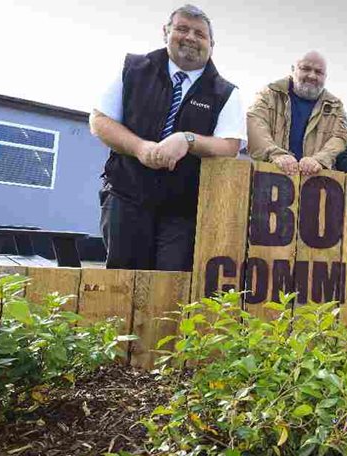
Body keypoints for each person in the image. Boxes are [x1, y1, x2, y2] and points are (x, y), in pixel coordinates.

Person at [90, 4, 246, 271]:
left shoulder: (226, 92)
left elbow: (230, 146)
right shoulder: (133, 68)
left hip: (184, 209)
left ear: (211, 44)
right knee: (121, 283)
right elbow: (100, 121)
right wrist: (140, 148)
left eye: (200, 34)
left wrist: (188, 140)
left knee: (172, 289)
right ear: (166, 32)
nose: (190, 38)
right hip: (126, 195)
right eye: (182, 29)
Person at [247, 51, 347, 176]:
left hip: (313, 183)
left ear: (325, 76)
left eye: (318, 72)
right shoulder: (268, 94)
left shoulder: (336, 107)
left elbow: (340, 139)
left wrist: (319, 160)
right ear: (293, 69)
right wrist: (276, 155)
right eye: (306, 69)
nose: (312, 76)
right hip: (268, 178)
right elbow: (254, 124)